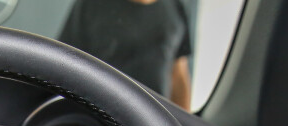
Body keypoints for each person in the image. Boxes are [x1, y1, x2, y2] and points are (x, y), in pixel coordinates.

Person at [59, 0, 192, 110]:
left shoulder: (176, 6)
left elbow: (178, 75)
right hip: (102, 121)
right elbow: (64, 67)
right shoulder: (90, 4)